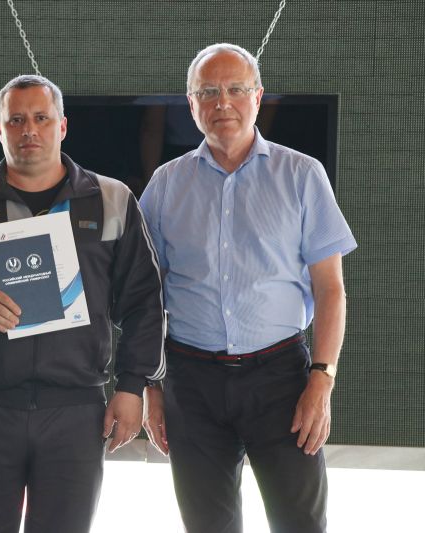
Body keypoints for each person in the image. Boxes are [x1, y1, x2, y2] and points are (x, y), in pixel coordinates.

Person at [0, 74, 165, 533]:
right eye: (16, 120)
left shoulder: (112, 198)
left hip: (75, 412)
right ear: (0, 130)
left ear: (62, 126)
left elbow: (144, 302)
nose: (29, 130)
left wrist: (132, 386)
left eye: (41, 118)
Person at [139, 43, 358, 533]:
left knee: (300, 523)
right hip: (190, 383)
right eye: (208, 92)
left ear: (257, 97)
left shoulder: (302, 175)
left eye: (236, 89)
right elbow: (145, 295)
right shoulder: (166, 184)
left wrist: (321, 381)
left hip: (281, 380)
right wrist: (152, 385)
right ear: (191, 104)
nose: (223, 103)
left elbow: (331, 289)